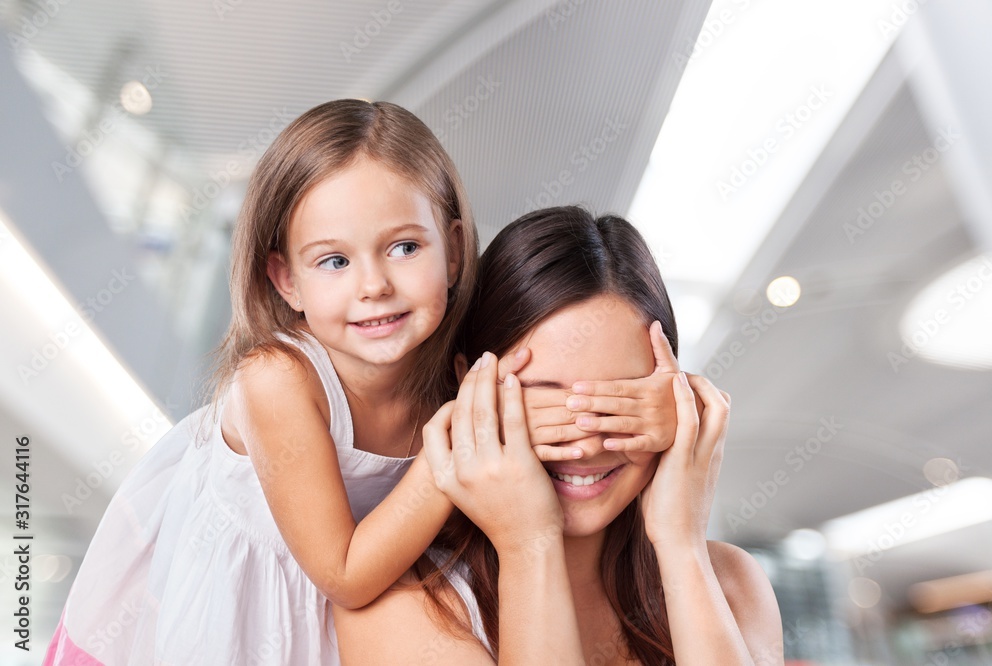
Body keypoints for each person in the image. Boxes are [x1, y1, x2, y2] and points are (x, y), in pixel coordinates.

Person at [43, 99, 499, 665]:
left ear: (454, 251)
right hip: (238, 615)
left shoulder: (454, 373)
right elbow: (345, 573)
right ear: (287, 281)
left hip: (351, 616)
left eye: (404, 247)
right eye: (334, 261)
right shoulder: (277, 379)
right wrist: (444, 455)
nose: (374, 284)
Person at [335, 206, 784, 665]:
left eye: (619, 403)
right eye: (543, 402)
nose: (586, 445)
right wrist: (528, 543)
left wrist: (681, 547)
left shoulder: (731, 584)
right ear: (466, 388)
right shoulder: (404, 607)